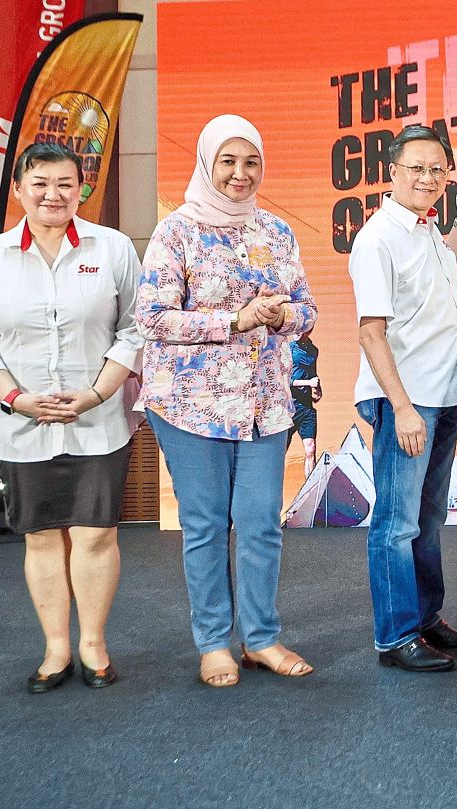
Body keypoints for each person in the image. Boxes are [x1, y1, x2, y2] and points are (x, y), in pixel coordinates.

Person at [0, 142, 143, 693]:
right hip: (19, 423)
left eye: (66, 183)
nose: (53, 194)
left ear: (80, 189)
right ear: (18, 190)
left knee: (95, 534)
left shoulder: (111, 249)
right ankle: (56, 648)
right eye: (40, 184)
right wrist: (15, 397)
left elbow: (134, 329)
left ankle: (93, 645)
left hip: (98, 419)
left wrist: (96, 394)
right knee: (40, 538)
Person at [137, 115, 317, 687]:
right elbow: (152, 318)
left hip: (264, 403)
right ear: (207, 164)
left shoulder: (276, 232)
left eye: (251, 163)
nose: (241, 175)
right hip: (190, 405)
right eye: (229, 162)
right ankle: (214, 642)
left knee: (262, 521)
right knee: (206, 524)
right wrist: (232, 320)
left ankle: (261, 638)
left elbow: (307, 309)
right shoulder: (176, 232)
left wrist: (284, 314)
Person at [349, 124, 457, 672]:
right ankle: (395, 635)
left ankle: (426, 620)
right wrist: (402, 408)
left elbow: (444, 263)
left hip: (445, 393)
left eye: (437, 169)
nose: (428, 178)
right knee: (397, 523)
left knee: (428, 520)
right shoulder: (378, 237)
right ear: (394, 173)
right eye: (417, 169)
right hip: (407, 400)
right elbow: (370, 331)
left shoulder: (425, 229)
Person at [289, 331, 321, 477]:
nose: (296, 331)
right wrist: (308, 383)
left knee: (310, 449)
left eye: (301, 328)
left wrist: (317, 389)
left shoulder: (313, 350)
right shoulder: (287, 349)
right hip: (289, 407)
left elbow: (313, 374)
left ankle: (310, 490)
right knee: (280, 450)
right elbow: (284, 380)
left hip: (306, 406)